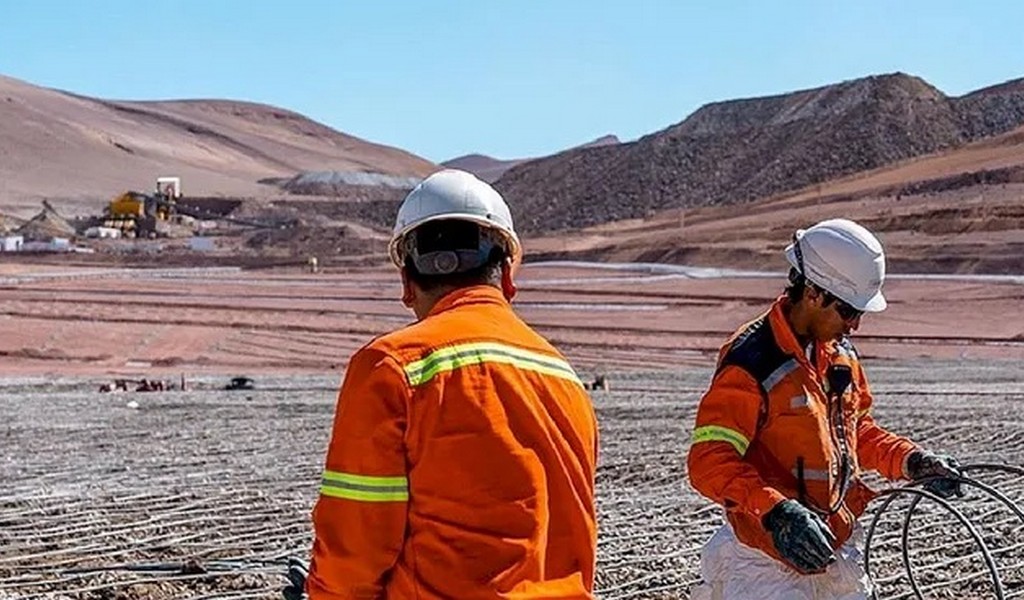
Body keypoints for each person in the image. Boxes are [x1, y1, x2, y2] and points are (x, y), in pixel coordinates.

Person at [296, 169, 599, 600]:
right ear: (509, 274)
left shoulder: (393, 367)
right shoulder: (563, 378)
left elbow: (356, 545)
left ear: (406, 282)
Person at [687, 218, 963, 599]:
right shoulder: (752, 361)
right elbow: (708, 461)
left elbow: (857, 433)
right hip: (765, 563)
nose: (855, 325)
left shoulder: (840, 356)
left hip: (833, 548)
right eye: (848, 312)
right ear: (814, 293)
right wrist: (777, 512)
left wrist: (911, 461)